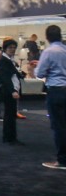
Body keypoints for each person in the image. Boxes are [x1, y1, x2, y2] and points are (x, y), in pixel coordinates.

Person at [36, 25, 66, 170]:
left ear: (47, 37)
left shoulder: (48, 52)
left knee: (58, 126)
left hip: (56, 91)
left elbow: (40, 73)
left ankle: (62, 160)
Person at [0, 39, 24, 145]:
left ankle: (10, 137)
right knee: (9, 115)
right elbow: (5, 78)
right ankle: (9, 137)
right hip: (8, 91)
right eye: (10, 48)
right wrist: (13, 91)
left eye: (14, 48)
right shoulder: (4, 60)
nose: (12, 50)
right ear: (5, 48)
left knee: (11, 114)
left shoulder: (9, 60)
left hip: (11, 90)